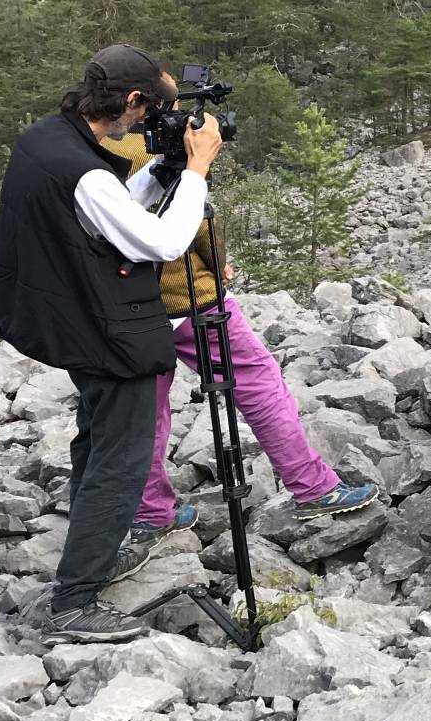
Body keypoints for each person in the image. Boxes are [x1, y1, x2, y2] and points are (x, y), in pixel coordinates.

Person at [0, 46, 222, 643]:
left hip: (68, 321)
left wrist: (161, 171)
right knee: (122, 459)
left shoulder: (45, 140)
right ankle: (73, 601)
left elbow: (105, 216)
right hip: (108, 331)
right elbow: (163, 242)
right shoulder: (86, 172)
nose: (145, 128)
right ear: (133, 99)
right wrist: (195, 172)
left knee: (97, 442)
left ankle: (91, 557)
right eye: (148, 115)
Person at [101, 133, 379, 582]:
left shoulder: (95, 157)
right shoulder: (164, 156)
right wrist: (219, 263)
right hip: (189, 301)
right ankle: (312, 488)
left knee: (144, 413)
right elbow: (197, 225)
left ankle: (152, 513)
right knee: (259, 384)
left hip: (126, 309)